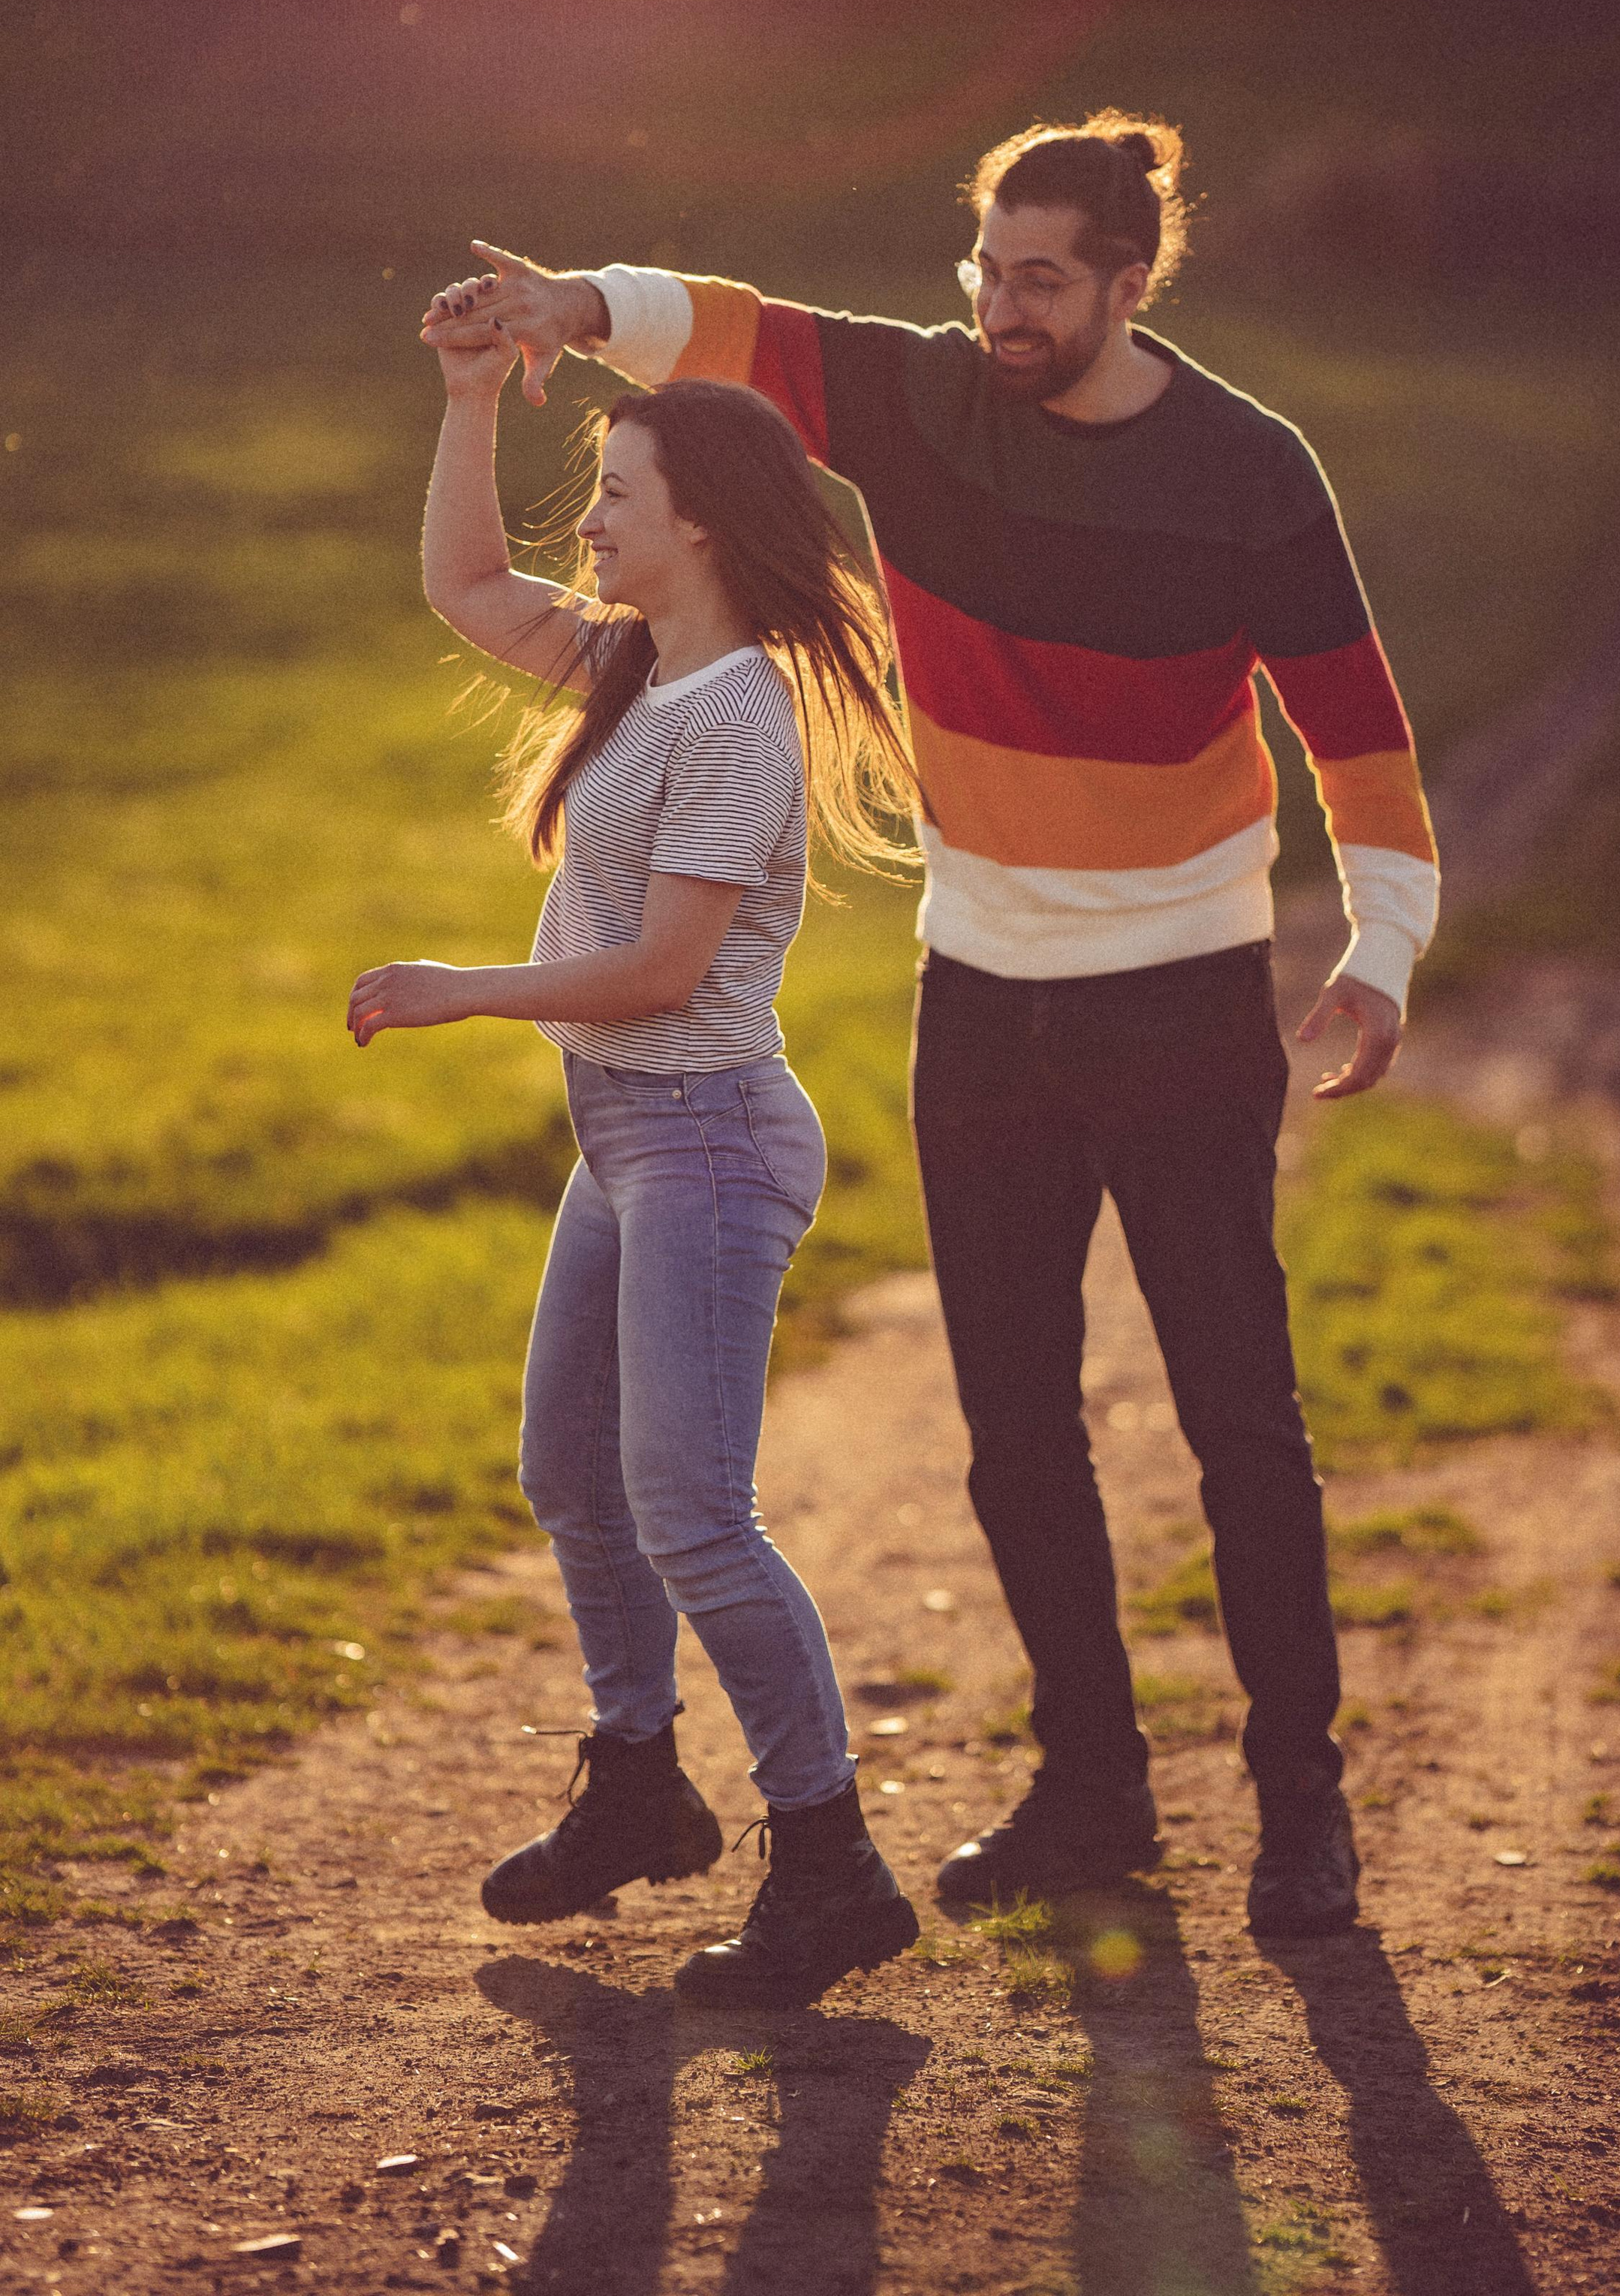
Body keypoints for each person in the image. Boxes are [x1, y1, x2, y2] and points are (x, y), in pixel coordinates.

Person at [421, 110, 1439, 1942]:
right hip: (979, 992)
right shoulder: (924, 399)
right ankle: (1091, 1788)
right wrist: (566, 304)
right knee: (1012, 1428)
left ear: (1132, 283)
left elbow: (1351, 730)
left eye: (1042, 279)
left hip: (1185, 988)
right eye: (985, 269)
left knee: (1236, 1415)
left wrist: (1380, 945)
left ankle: (1303, 1810)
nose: (1002, 308)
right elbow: (734, 335)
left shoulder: (1251, 470)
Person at [348, 312, 923, 2006]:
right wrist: (461, 397)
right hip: (625, 1142)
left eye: (615, 494)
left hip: (706, 1138)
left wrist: (468, 991)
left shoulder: (738, 717)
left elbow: (667, 971)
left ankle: (830, 1865)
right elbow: (462, 588)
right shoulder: (638, 668)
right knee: (572, 1479)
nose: (583, 523)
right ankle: (639, 1786)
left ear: (703, 526)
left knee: (690, 1512)